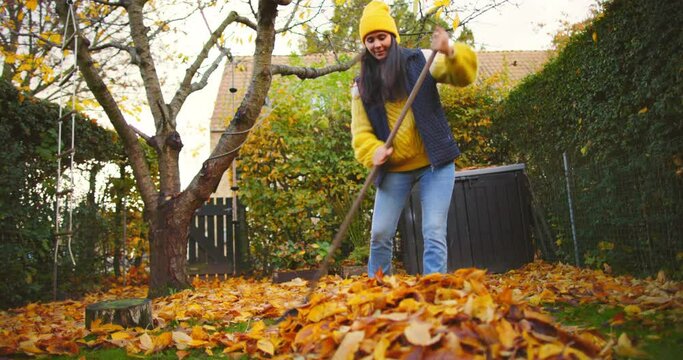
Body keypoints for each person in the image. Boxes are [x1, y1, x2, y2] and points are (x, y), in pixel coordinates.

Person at [351, 0, 478, 277]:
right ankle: (378, 292)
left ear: (392, 37)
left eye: (381, 37)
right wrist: (373, 151)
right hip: (395, 169)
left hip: (435, 164)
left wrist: (451, 51)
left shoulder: (420, 61)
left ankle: (435, 290)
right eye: (370, 40)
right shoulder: (361, 85)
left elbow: (462, 76)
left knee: (433, 230)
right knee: (380, 234)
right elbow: (361, 133)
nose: (377, 44)